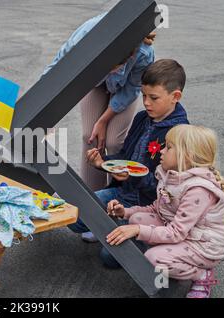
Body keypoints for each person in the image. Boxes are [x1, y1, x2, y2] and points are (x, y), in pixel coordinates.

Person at [68, 59, 189, 259]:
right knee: (73, 216)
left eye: (154, 97)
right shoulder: (142, 118)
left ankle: (147, 238)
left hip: (151, 207)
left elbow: (170, 189)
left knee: (109, 257)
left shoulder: (180, 134)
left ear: (175, 96)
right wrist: (102, 162)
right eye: (143, 95)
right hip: (121, 194)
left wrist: (134, 178)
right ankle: (116, 224)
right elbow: (125, 157)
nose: (146, 102)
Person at [105, 125, 224, 298]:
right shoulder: (171, 175)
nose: (161, 150)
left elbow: (176, 232)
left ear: (186, 156)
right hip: (183, 232)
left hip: (202, 247)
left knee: (154, 258)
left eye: (168, 147)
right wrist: (126, 212)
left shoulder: (198, 190)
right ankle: (171, 257)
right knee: (137, 218)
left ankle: (201, 275)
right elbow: (157, 209)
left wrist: (139, 230)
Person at [43, 11, 156, 193]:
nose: (111, 71)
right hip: (93, 84)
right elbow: (58, 66)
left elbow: (130, 90)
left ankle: (116, 195)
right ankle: (93, 195)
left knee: (113, 142)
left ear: (129, 56)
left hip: (123, 90)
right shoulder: (88, 34)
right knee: (90, 136)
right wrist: (44, 111)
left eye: (115, 68)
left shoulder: (143, 53)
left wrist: (103, 120)